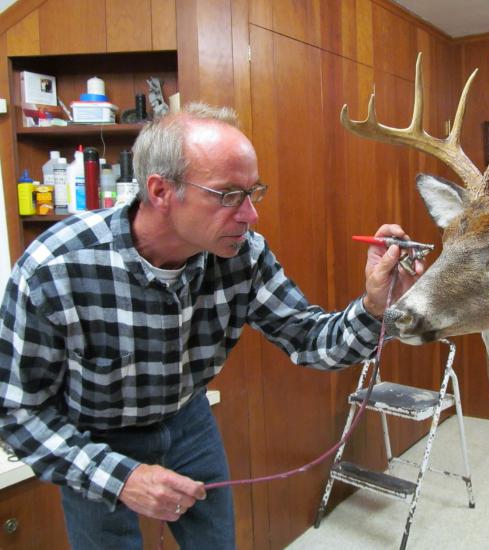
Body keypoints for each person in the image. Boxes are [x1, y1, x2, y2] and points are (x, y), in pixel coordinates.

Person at [0, 102, 423, 549]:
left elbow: (312, 342)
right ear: (161, 191)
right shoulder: (57, 268)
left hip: (188, 419)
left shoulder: (244, 254)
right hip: (92, 434)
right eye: (228, 196)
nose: (250, 216)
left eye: (253, 192)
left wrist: (378, 307)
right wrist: (121, 478)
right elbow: (16, 411)